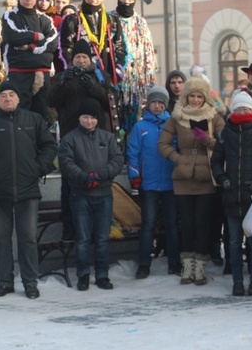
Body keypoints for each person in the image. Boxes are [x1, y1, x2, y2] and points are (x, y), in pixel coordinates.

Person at [0, 80, 58, 299]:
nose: (7, 98)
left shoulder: (34, 120)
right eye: (3, 96)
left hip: (28, 190)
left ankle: (30, 282)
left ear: (18, 98)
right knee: (1, 239)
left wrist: (38, 168)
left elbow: (50, 146)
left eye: (12, 94)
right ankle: (4, 281)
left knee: (28, 238)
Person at [158, 76, 226, 286]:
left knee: (202, 223)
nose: (195, 100)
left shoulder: (214, 116)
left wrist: (208, 141)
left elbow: (226, 145)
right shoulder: (177, 117)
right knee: (186, 223)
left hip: (207, 177)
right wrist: (178, 158)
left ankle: (200, 266)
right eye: (191, 96)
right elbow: (163, 144)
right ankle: (187, 265)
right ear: (185, 97)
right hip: (183, 177)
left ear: (205, 97)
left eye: (199, 96)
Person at [48, 38, 115, 241]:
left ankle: (99, 228)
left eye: (84, 57)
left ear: (90, 58)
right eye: (77, 57)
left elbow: (109, 103)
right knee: (70, 182)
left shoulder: (100, 76)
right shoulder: (62, 76)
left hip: (97, 137)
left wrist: (93, 87)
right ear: (72, 60)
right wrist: (63, 82)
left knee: (98, 181)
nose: (81, 61)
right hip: (70, 135)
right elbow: (51, 101)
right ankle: (69, 227)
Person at [58, 98, 124, 291]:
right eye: (85, 117)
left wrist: (100, 175)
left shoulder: (108, 137)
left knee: (102, 238)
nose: (89, 121)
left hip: (103, 194)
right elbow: (66, 163)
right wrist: (84, 178)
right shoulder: (69, 139)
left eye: (93, 118)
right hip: (80, 195)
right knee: (83, 238)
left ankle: (102, 275)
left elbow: (117, 160)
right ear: (79, 118)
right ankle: (83, 275)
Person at [210, 91, 252, 296]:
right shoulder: (226, 133)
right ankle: (237, 282)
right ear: (233, 110)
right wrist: (223, 179)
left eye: (245, 108)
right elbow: (216, 161)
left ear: (251, 109)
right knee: (233, 242)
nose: (242, 111)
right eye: (238, 108)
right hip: (232, 196)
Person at [126, 86, 181, 278]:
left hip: (170, 184)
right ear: (148, 104)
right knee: (148, 223)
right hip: (148, 184)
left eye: (160, 103)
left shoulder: (173, 125)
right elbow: (132, 154)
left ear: (165, 105)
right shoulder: (140, 127)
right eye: (154, 102)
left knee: (172, 223)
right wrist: (135, 178)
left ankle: (174, 261)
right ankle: (144, 263)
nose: (157, 106)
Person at [1, 0, 58, 119]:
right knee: (19, 115)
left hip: (42, 74)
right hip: (18, 73)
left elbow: (52, 43)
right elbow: (12, 37)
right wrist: (37, 36)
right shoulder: (10, 16)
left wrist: (28, 46)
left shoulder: (45, 19)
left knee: (42, 116)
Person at [59, 0, 125, 84]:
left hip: (107, 73)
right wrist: (72, 68)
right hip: (80, 73)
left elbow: (120, 47)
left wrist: (118, 66)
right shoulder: (73, 19)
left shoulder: (112, 20)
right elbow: (66, 48)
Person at [111, 0, 158, 134]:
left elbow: (148, 50)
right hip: (114, 77)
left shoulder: (140, 22)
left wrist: (149, 78)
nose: (126, 2)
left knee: (133, 119)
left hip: (135, 82)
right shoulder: (110, 18)